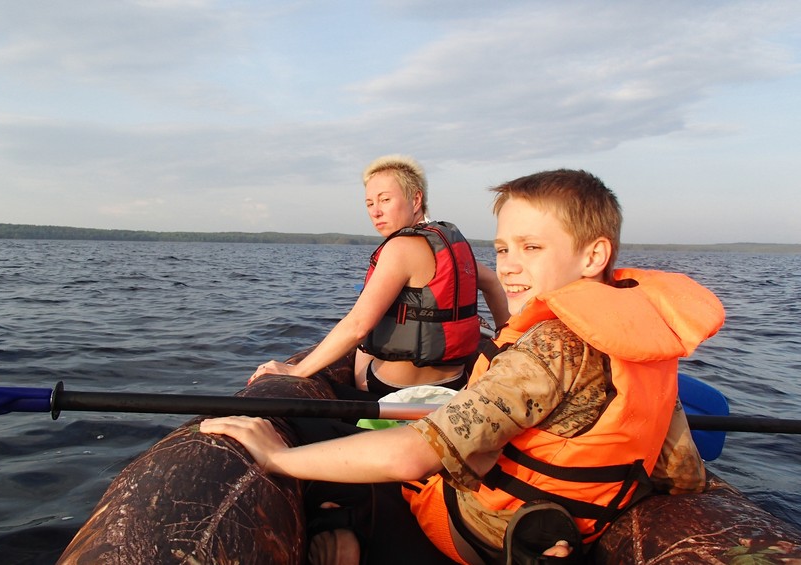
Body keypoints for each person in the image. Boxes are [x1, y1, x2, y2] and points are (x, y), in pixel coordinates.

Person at [202, 169, 724, 564]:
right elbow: (681, 474)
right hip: (569, 518)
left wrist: (275, 458)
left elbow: (411, 457)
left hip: (476, 530)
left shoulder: (548, 352)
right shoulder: (645, 343)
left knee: (323, 438)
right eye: (502, 247)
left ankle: (345, 535)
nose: (510, 263)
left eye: (532, 247)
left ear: (593, 257)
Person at [251, 155, 509, 396]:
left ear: (416, 200)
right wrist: (506, 343)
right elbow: (493, 284)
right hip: (453, 382)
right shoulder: (446, 244)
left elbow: (358, 326)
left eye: (385, 200)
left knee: (363, 345)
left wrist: (296, 371)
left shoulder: (400, 247)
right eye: (369, 203)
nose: (375, 211)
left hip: (395, 388)